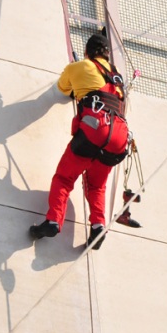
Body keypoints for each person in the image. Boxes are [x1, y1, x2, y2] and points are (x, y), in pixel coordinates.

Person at [30, 33, 130, 250]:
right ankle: (98, 226)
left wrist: (78, 87)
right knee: (96, 185)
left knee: (65, 178)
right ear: (105, 54)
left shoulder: (79, 66)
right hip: (119, 138)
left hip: (95, 131)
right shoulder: (117, 77)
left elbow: (63, 89)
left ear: (87, 52)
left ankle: (54, 220)